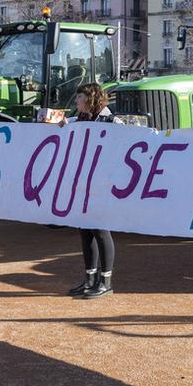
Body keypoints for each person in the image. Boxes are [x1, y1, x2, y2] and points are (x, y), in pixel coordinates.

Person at [68, 83, 117, 299]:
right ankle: (90, 279)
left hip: (102, 185)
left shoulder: (112, 121)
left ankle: (105, 282)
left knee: (100, 229)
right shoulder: (81, 120)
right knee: (85, 229)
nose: (76, 101)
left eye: (79, 97)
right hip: (83, 183)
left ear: (90, 99)